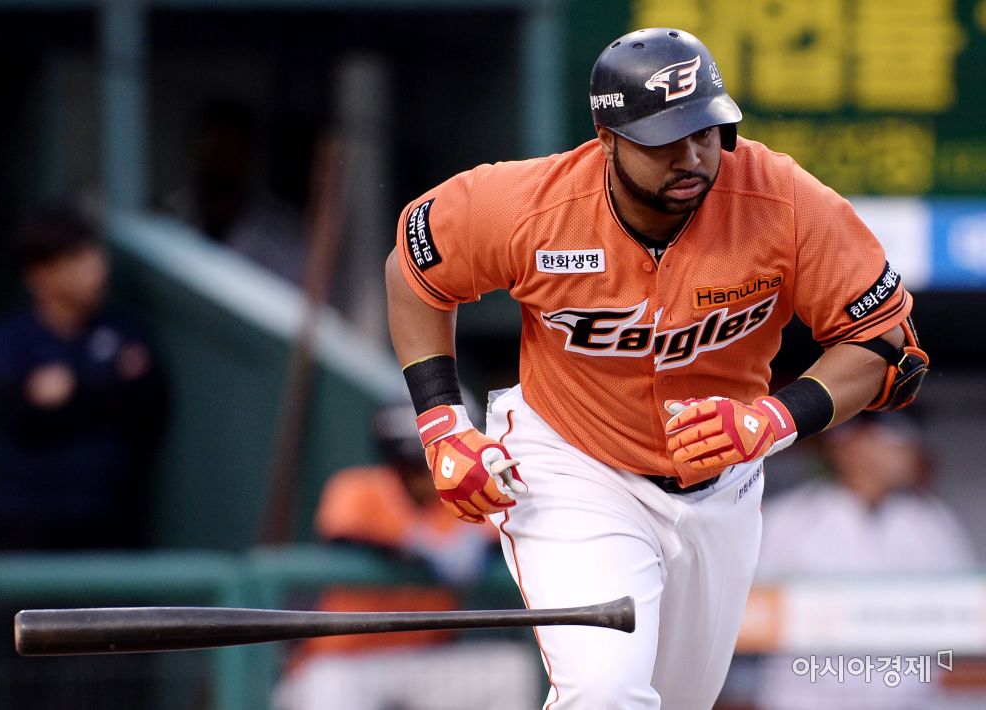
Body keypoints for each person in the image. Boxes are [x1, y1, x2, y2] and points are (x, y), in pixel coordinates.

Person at [383, 26, 930, 709]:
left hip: (721, 484)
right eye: (665, 137)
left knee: (675, 700)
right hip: (573, 463)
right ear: (607, 138)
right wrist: (442, 425)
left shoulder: (780, 200)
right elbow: (414, 273)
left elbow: (883, 341)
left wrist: (774, 419)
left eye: (705, 131)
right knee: (605, 690)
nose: (692, 155)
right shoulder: (532, 205)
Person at [271, 403, 538, 710]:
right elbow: (345, 536)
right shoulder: (359, 488)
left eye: (432, 464)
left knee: (513, 673)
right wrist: (413, 548)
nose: (426, 475)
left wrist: (480, 544)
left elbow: (496, 535)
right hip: (344, 662)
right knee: (328, 691)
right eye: (415, 466)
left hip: (424, 661)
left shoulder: (466, 499)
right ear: (396, 463)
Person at [752, 411, 977, 710]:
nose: (906, 452)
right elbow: (749, 615)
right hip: (807, 697)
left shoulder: (931, 522)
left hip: (908, 698)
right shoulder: (787, 519)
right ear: (848, 447)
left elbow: (969, 614)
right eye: (891, 441)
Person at [0, 207, 167, 550]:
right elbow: (21, 413)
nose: (97, 270)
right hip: (26, 522)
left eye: (95, 256)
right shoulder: (9, 338)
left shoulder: (123, 329)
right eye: (77, 259)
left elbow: (144, 401)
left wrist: (71, 388)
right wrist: (106, 382)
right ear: (40, 273)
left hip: (108, 517)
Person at [161, 98, 305, 284]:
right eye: (207, 148)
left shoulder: (284, 237)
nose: (214, 163)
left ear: (249, 158)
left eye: (226, 152)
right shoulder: (167, 218)